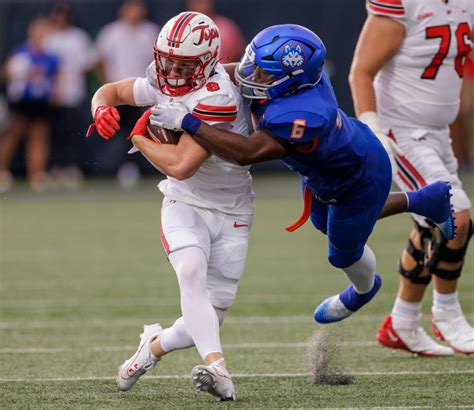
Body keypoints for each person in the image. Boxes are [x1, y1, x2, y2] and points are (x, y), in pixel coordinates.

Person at [148, 24, 456, 328]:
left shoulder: (302, 114)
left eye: (263, 72)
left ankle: (363, 290)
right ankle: (426, 200)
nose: (250, 74)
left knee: (342, 252)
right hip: (328, 169)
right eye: (251, 63)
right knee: (325, 221)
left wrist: (188, 120)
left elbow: (246, 153)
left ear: (291, 80)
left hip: (356, 177)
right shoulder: (294, 81)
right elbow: (231, 76)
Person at [88, 12, 253, 401]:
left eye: (185, 64)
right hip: (186, 200)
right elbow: (110, 90)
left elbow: (180, 163)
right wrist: (99, 108)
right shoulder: (163, 78)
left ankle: (152, 347)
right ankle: (218, 368)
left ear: (208, 61)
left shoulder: (217, 95)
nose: (174, 71)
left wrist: (140, 137)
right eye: (169, 60)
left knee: (214, 312)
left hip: (232, 207)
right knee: (191, 270)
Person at [349, 0, 473, 356]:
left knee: (429, 224)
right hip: (401, 128)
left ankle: (402, 323)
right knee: (455, 215)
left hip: (436, 131)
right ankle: (447, 314)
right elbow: (360, 72)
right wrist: (373, 130)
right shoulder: (404, 3)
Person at [94, 0, 160, 184]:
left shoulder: (150, 32)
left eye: (138, 7)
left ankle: (133, 168)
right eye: (131, 7)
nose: (134, 12)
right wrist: (107, 85)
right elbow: (100, 61)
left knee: (139, 131)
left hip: (142, 92)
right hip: (118, 92)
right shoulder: (111, 33)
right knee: (115, 130)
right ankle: (105, 167)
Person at [0, 18, 59, 193]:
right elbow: (7, 73)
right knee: (12, 136)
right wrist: (26, 74)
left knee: (39, 137)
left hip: (40, 103)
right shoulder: (22, 53)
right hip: (21, 101)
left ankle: (36, 175)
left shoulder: (51, 56)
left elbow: (54, 79)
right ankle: (2, 172)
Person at [45, 1, 97, 189]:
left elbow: (87, 65)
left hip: (73, 93)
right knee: (55, 133)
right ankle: (55, 167)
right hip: (51, 96)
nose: (60, 19)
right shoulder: (48, 37)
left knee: (73, 133)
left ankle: (72, 167)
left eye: (63, 15)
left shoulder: (78, 37)